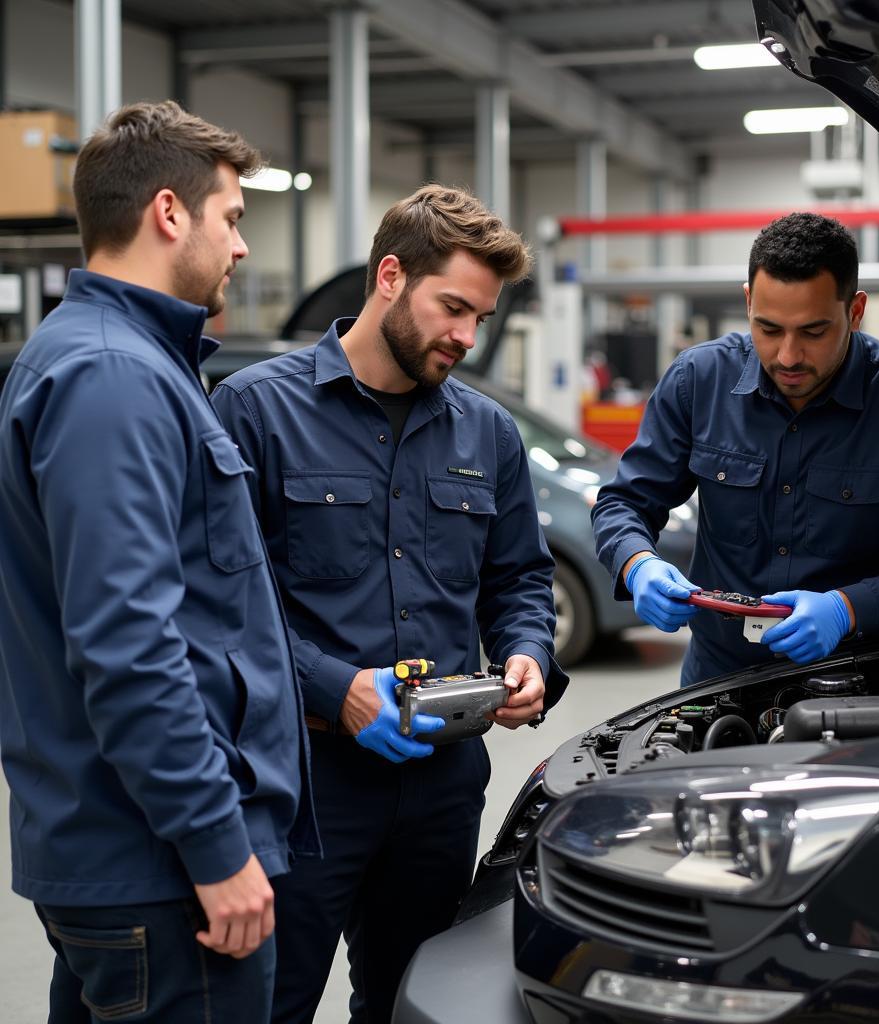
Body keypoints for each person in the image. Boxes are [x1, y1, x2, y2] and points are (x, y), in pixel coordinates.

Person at [210, 183, 569, 1024]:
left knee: (416, 1005)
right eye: (452, 308)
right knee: (271, 1002)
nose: (465, 338)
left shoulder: (489, 434)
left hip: (441, 786)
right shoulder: (255, 412)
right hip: (302, 783)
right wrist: (338, 688)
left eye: (480, 318)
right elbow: (227, 606)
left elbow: (519, 578)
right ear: (390, 276)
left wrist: (527, 654)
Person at [0, 101, 318, 1022]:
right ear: (169, 213)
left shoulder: (121, 361)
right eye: (233, 218)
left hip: (128, 858)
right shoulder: (112, 378)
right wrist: (218, 848)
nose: (242, 248)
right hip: (161, 870)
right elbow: (129, 646)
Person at [592, 212, 879, 687]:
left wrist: (847, 609)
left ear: (855, 311)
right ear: (748, 301)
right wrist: (637, 564)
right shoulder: (698, 381)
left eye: (813, 332)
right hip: (722, 677)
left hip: (866, 678)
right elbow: (624, 502)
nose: (788, 355)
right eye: (768, 329)